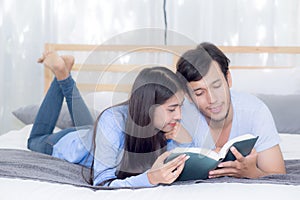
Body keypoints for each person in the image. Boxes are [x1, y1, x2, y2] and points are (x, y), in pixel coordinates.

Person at [27, 51, 191, 188]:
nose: (179, 116)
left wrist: (180, 141)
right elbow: (102, 181)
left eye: (180, 106)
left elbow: (185, 158)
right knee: (34, 140)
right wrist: (149, 179)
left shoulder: (163, 123)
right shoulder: (112, 121)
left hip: (95, 136)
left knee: (90, 127)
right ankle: (61, 74)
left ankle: (64, 75)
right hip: (69, 143)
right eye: (171, 109)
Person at [176, 42, 286, 179]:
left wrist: (252, 173)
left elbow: (278, 175)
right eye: (199, 93)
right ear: (188, 96)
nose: (212, 99)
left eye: (216, 86)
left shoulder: (255, 112)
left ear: (228, 79)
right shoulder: (180, 117)